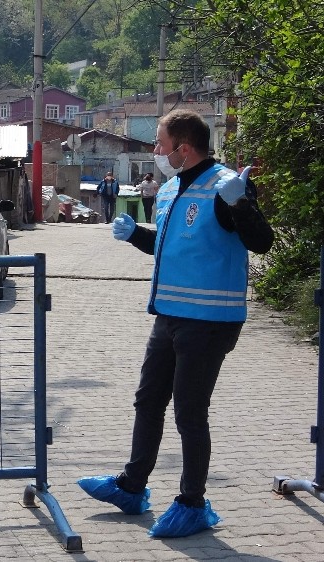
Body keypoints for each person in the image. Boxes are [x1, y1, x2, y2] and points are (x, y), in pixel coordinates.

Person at [78, 109, 274, 538]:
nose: (155, 152)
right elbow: (175, 247)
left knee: (189, 411)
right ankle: (132, 486)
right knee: (148, 401)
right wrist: (135, 235)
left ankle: (192, 502)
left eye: (160, 144)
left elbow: (261, 242)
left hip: (210, 319)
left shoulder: (225, 186)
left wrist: (241, 202)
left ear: (183, 149)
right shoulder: (169, 188)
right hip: (169, 314)